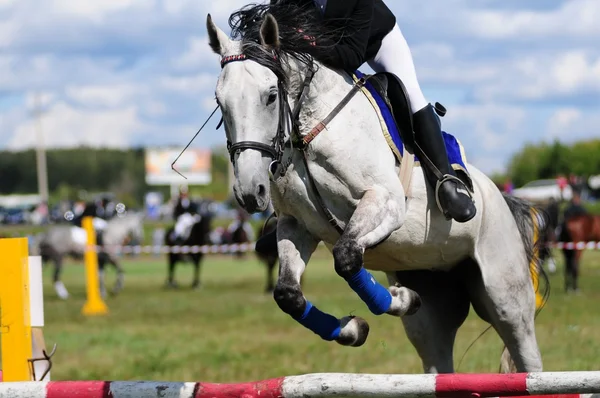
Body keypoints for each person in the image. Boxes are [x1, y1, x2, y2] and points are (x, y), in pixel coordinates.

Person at [268, 0, 476, 223]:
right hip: (326, 49)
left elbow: (351, 56)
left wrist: (309, 41)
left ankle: (445, 182)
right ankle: (289, 207)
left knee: (411, 95)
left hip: (377, 43)